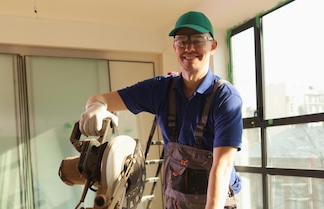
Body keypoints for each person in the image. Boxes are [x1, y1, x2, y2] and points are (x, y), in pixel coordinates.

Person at [79, 11, 243, 209]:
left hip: (217, 201)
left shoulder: (225, 97)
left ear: (213, 46)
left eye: (198, 40)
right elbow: (101, 98)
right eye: (182, 41)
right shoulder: (160, 89)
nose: (189, 48)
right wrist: (96, 106)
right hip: (176, 202)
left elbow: (222, 167)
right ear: (174, 46)